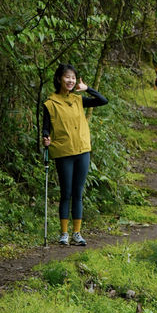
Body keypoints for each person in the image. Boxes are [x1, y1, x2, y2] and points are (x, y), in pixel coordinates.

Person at [42, 64, 108, 246]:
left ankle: (77, 233)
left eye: (73, 77)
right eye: (67, 77)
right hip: (63, 151)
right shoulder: (50, 103)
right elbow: (46, 127)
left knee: (78, 193)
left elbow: (103, 100)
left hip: (82, 150)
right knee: (66, 193)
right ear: (59, 79)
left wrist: (88, 89)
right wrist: (45, 138)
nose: (70, 81)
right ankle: (64, 233)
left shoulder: (79, 99)